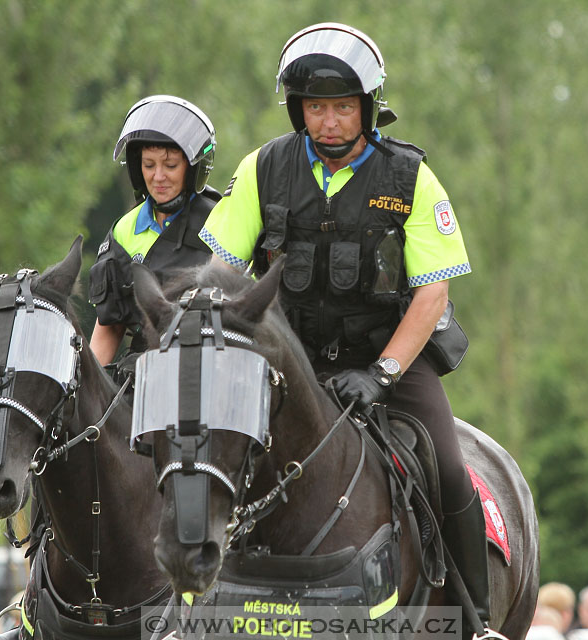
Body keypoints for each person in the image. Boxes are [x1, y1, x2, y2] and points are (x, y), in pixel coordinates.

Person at [197, 22, 486, 625]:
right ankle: (179, 607)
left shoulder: (410, 178)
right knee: (192, 452)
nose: (329, 120)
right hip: (283, 361)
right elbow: (217, 274)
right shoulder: (262, 169)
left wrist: (380, 374)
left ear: (368, 109)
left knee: (450, 470)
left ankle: (474, 617)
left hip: (388, 357)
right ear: (299, 110)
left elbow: (432, 295)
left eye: (343, 107)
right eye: (316, 107)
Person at [89, 95, 219, 366]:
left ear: (194, 168)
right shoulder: (125, 230)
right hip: (140, 375)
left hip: (208, 368)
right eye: (149, 165)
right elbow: (109, 324)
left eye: (170, 165)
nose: (158, 177)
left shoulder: (220, 222)